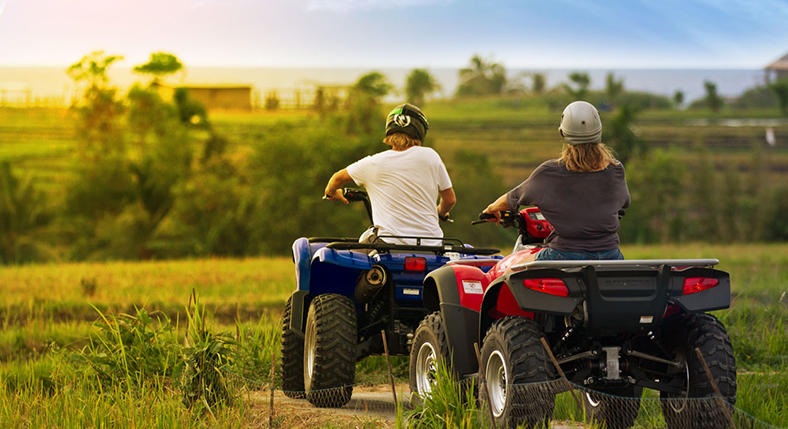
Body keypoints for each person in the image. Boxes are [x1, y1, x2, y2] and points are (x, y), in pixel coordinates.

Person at [483, 101, 630, 261]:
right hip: (611, 255)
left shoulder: (550, 171)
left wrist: (492, 208)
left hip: (565, 254)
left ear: (563, 133)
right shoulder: (616, 168)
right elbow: (624, 202)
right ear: (599, 131)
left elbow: (514, 197)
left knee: (509, 266)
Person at [324, 103, 456, 245]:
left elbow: (337, 178)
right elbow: (450, 200)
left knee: (351, 259)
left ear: (389, 130)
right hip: (432, 245)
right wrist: (440, 213)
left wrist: (332, 192)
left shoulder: (373, 163)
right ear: (420, 131)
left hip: (389, 244)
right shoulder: (431, 156)